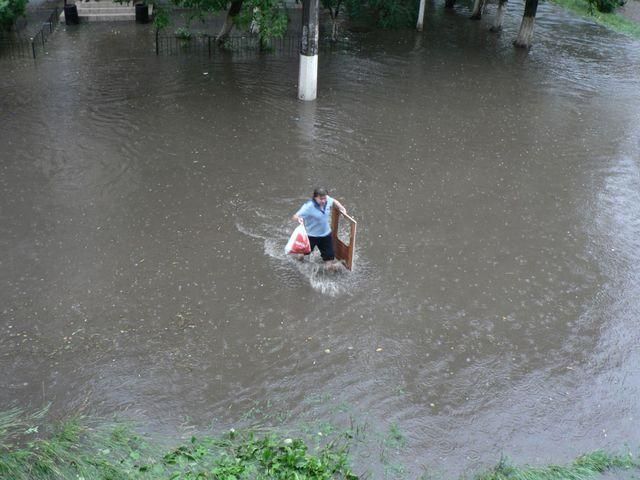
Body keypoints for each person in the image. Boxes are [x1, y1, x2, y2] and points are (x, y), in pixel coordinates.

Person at [292, 187, 347, 266]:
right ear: (315, 198)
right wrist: (299, 218)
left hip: (326, 236)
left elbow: (334, 201)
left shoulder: (327, 199)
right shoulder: (308, 206)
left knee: (329, 265)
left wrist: (342, 208)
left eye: (324, 198)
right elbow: (295, 216)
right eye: (321, 199)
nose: (324, 201)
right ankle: (298, 264)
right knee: (300, 257)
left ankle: (334, 269)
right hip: (311, 236)